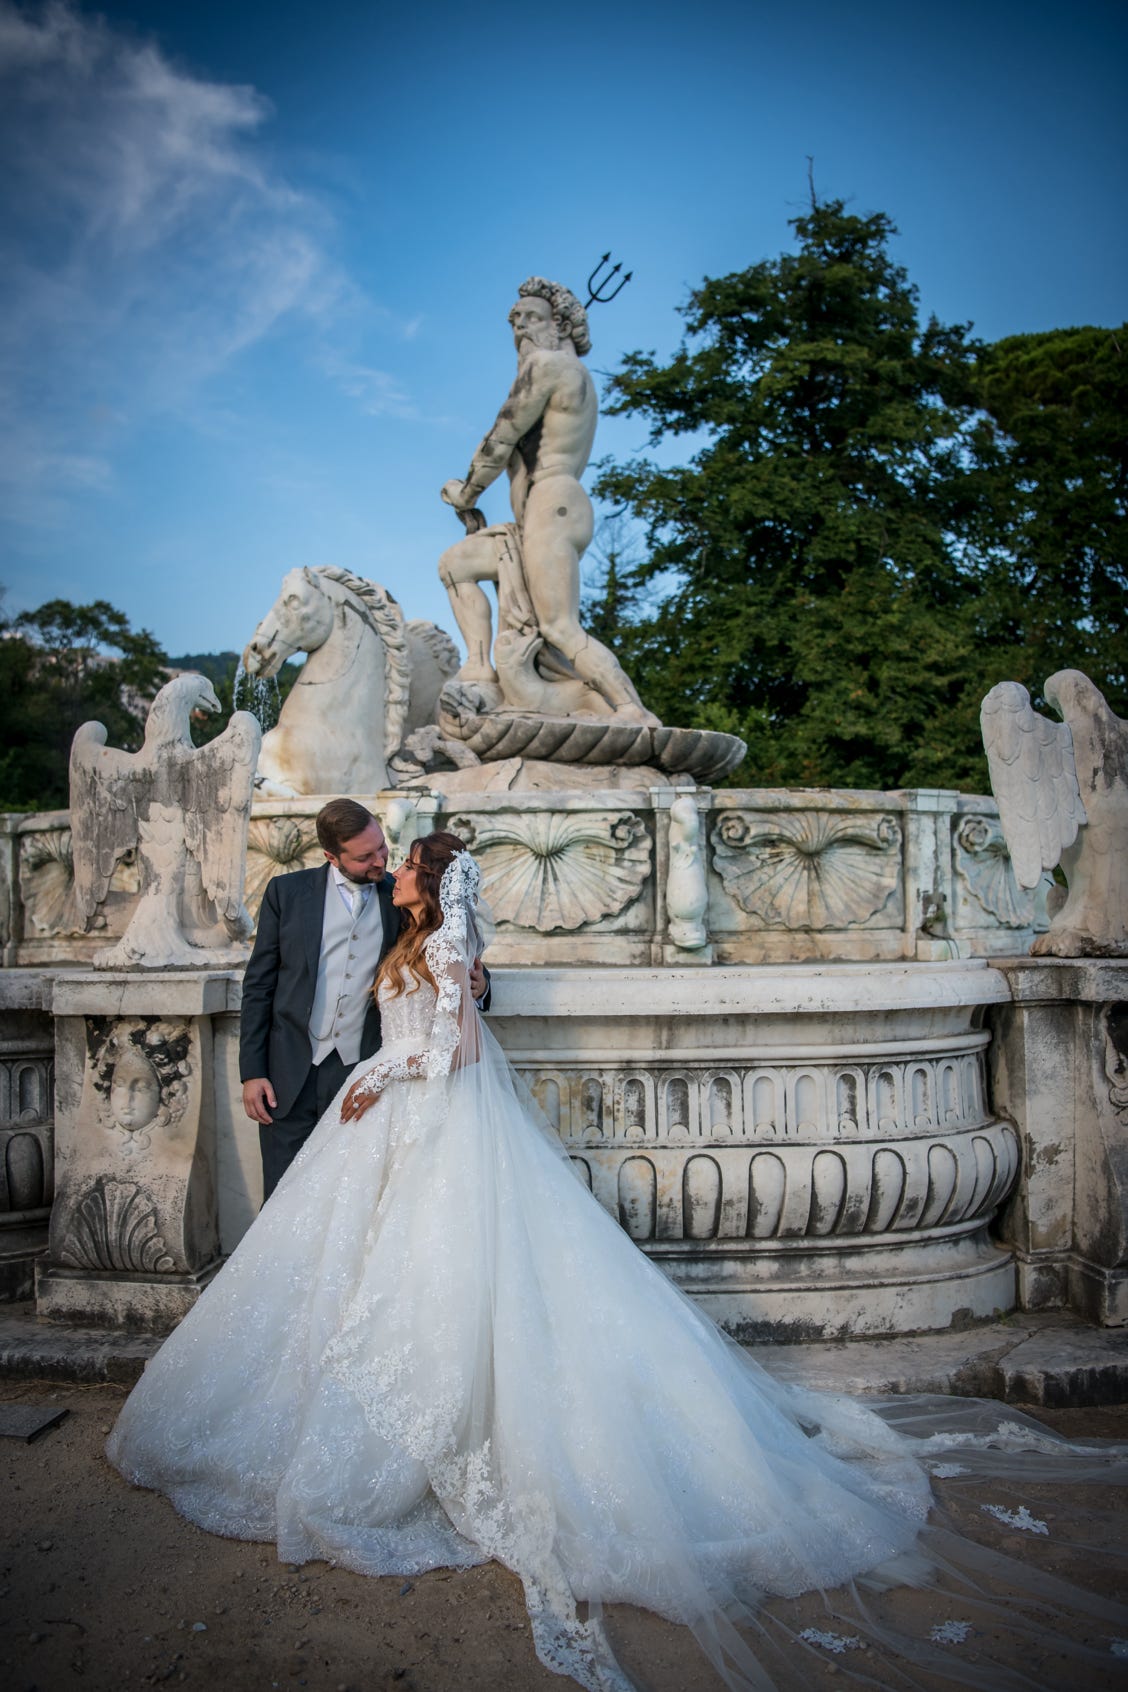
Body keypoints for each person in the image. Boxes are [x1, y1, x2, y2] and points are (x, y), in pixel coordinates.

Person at [110, 832, 1128, 1692]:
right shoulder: (412, 929)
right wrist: (380, 1074)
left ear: (426, 877)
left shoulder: (447, 935)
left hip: (427, 1118)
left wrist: (387, 1074)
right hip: (392, 1121)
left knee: (443, 1282)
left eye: (403, 870)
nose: (392, 880)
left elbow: (457, 1049)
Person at [239, 799, 488, 1200]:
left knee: (350, 1202)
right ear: (331, 856)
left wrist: (482, 982)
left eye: (383, 849)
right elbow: (258, 986)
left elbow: (448, 942)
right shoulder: (286, 893)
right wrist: (252, 1071)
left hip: (361, 1069)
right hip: (286, 1073)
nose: (381, 863)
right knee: (283, 1198)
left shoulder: (401, 895)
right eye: (365, 857)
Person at [439, 277, 657, 724]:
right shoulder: (563, 371)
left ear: (560, 325)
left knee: (559, 626)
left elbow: (502, 437)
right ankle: (480, 669)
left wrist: (466, 492)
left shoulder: (550, 366)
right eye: (514, 321)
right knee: (456, 564)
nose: (520, 328)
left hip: (553, 504)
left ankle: (632, 710)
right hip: (538, 512)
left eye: (531, 318)